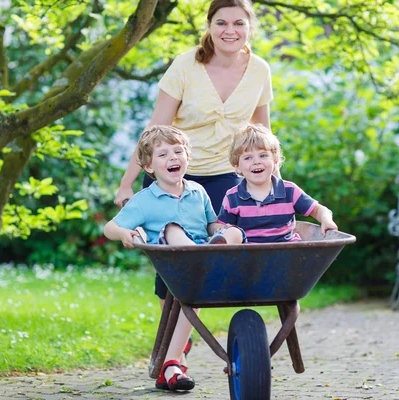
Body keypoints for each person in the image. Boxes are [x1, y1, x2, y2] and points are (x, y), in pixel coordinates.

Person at [114, 0, 271, 363]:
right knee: (175, 268)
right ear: (210, 26)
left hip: (227, 178)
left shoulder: (260, 70)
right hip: (175, 175)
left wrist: (271, 182)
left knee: (204, 264)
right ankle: (176, 352)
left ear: (250, 27)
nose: (229, 30)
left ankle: (174, 352)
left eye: (238, 23)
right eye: (221, 22)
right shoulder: (187, 64)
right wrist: (127, 184)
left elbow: (261, 131)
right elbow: (154, 131)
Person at [104, 126, 244, 391]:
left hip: (200, 264)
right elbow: (109, 228)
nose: (173, 158)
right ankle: (172, 363)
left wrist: (223, 231)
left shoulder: (198, 192)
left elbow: (210, 223)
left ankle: (171, 366)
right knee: (173, 229)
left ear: (188, 158)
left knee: (233, 231)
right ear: (148, 166)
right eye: (163, 154)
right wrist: (124, 232)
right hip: (171, 266)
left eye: (178, 151)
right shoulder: (146, 199)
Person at [218, 124, 338, 241]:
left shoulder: (289, 191)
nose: (256, 162)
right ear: (237, 166)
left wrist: (326, 220)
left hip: (287, 253)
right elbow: (223, 231)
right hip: (250, 256)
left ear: (275, 161)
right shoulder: (232, 197)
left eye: (263, 155)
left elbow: (318, 210)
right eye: (248, 158)